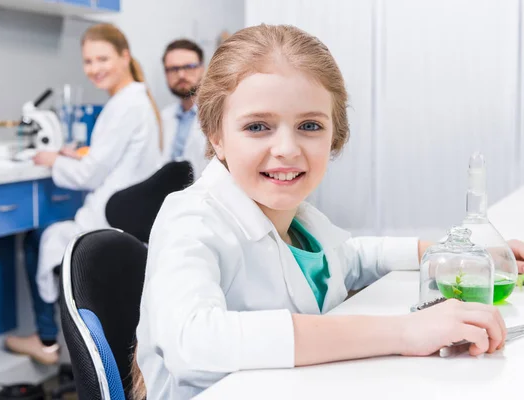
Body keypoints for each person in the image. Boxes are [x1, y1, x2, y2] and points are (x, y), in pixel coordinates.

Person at [133, 24, 524, 399]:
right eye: (257, 127)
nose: (286, 147)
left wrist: (458, 256)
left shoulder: (302, 221)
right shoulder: (190, 218)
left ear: (334, 136)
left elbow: (354, 257)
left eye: (309, 125)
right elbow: (194, 342)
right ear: (216, 136)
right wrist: (404, 332)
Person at [5, 23, 161, 365]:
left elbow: (89, 175)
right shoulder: (135, 100)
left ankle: (46, 340)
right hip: (126, 219)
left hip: (109, 220)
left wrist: (51, 158)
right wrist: (76, 154)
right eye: (88, 61)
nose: (95, 69)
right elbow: (109, 159)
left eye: (102, 58)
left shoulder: (125, 105)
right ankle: (51, 336)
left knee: (37, 239)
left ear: (124, 56)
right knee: (43, 237)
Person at [160, 39, 208, 176]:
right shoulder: (164, 117)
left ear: (202, 69)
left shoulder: (217, 115)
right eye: (173, 69)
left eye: (189, 67)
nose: (181, 75)